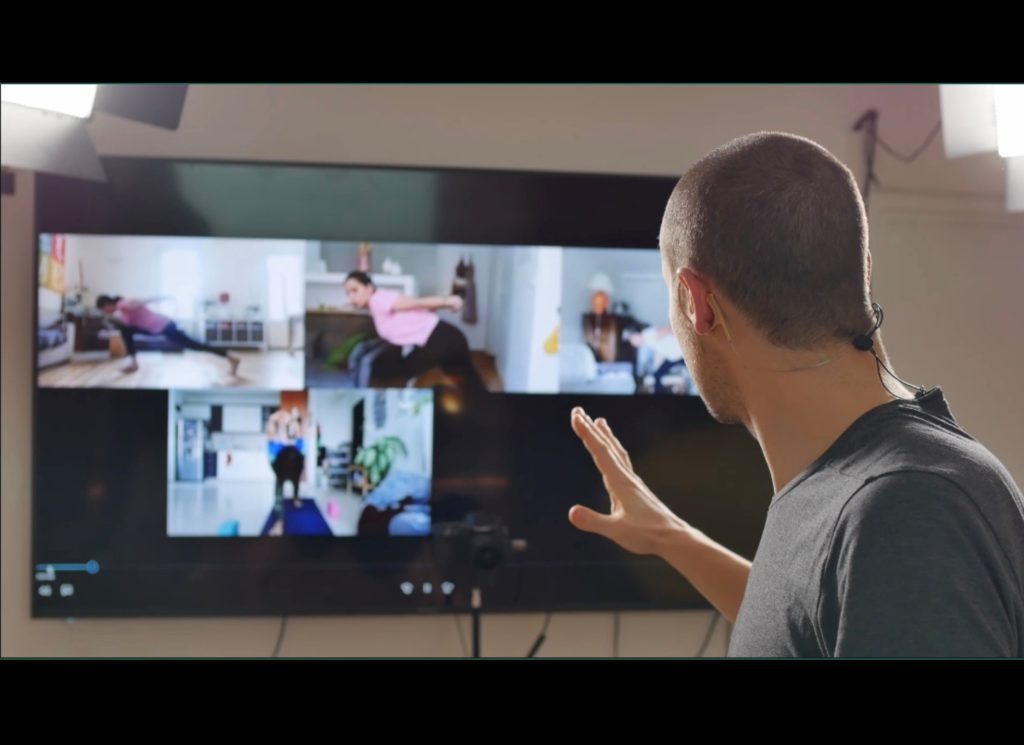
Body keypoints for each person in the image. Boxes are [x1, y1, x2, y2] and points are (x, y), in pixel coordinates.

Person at [568, 132, 1024, 657]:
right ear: (864, 270)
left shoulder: (906, 511)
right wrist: (668, 536)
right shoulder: (859, 487)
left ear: (696, 303)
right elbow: (805, 626)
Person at [342, 271, 488, 392]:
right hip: (443, 340)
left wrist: (447, 301)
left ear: (368, 288)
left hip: (442, 340)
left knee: (397, 370)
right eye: (348, 293)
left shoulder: (379, 300)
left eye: (355, 290)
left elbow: (416, 303)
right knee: (469, 385)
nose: (351, 297)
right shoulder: (376, 304)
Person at [96, 295, 240, 376]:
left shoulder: (123, 304)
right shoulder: (121, 312)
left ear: (107, 304)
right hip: (155, 329)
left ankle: (231, 357)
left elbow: (140, 301)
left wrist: (162, 297)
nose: (104, 312)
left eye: (103, 309)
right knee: (125, 330)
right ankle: (134, 363)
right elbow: (129, 324)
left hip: (165, 326)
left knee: (195, 345)